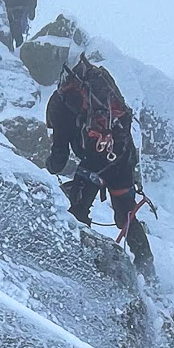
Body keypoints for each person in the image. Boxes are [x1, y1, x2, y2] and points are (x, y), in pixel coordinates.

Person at [43, 55, 154, 276]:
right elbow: (126, 138)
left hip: (94, 162)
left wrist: (48, 167)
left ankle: (80, 263)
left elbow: (59, 158)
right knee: (126, 215)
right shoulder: (104, 97)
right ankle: (147, 267)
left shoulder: (62, 106)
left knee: (78, 208)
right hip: (120, 161)